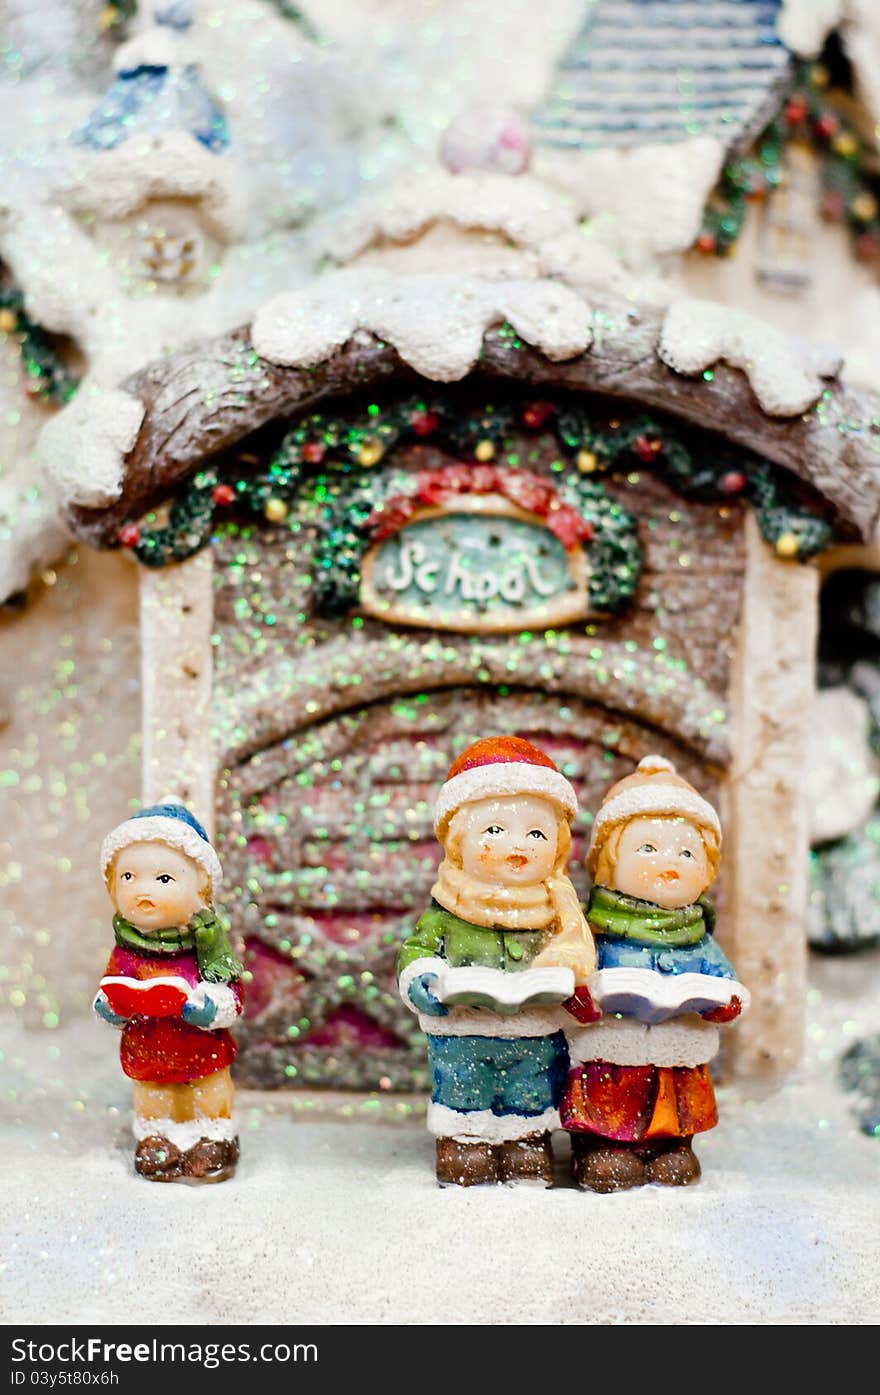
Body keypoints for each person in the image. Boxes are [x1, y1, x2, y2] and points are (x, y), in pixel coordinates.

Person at [398, 736, 596, 1186]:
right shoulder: (447, 909)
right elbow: (417, 952)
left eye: (536, 833)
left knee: (530, 1089)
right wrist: (425, 980)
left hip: (535, 1032)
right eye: (495, 831)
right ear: (458, 841)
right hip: (464, 1032)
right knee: (465, 1090)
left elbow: (582, 964)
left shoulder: (557, 911)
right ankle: (466, 1142)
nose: (518, 845)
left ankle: (525, 1142)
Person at [561, 755, 745, 1191]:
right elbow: (572, 974)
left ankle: (672, 1147)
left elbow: (724, 978)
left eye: (687, 852)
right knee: (609, 1099)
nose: (670, 861)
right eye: (648, 848)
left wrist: (726, 1001)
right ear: (608, 862)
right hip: (612, 1055)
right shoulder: (592, 929)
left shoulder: (700, 937)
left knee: (674, 1099)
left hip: (675, 1050)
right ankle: (601, 1147)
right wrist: (581, 996)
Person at [94, 801, 245, 1182]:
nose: (142, 890)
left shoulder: (206, 947)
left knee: (208, 1096)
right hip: (148, 1048)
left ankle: (212, 1139)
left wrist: (208, 1007)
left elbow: (232, 994)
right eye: (128, 877)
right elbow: (111, 985)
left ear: (202, 890)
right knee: (154, 1099)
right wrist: (111, 1005)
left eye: (163, 879)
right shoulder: (126, 949)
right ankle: (157, 1139)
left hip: (199, 1047)